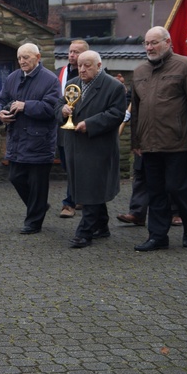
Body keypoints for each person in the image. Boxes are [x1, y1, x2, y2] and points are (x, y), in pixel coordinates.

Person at [130, 26, 187, 251]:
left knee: (176, 187)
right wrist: (136, 141)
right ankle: (158, 236)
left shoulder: (186, 65)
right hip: (149, 144)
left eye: (154, 42)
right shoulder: (139, 71)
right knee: (155, 191)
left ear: (168, 42)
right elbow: (136, 109)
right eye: (146, 43)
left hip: (177, 141)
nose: (149, 47)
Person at [55, 51, 126, 248]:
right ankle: (102, 225)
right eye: (80, 65)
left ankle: (84, 232)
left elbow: (117, 114)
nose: (83, 69)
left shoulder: (113, 86)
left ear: (98, 65)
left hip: (98, 146)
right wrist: (62, 111)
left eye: (87, 65)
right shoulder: (73, 83)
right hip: (74, 146)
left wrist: (91, 124)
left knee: (93, 186)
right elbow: (59, 104)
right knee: (87, 186)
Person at [0, 42, 61, 234]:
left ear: (38, 58)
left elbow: (52, 109)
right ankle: (37, 206)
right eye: (19, 58)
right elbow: (0, 100)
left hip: (40, 141)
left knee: (38, 184)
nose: (22, 61)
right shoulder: (13, 77)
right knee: (15, 177)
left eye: (26, 58)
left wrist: (25, 106)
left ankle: (33, 222)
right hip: (17, 141)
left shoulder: (50, 80)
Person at [115, 73, 182, 228]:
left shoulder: (174, 77)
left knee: (169, 176)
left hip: (167, 135)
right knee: (141, 174)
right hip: (143, 135)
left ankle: (175, 212)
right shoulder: (140, 76)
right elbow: (129, 101)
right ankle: (137, 213)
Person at [56, 39, 89, 218]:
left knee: (77, 166)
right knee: (68, 166)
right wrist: (60, 110)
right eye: (70, 51)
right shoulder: (60, 74)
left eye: (76, 52)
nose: (72, 55)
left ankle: (69, 203)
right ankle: (79, 195)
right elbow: (55, 101)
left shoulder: (94, 74)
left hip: (83, 130)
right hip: (63, 130)